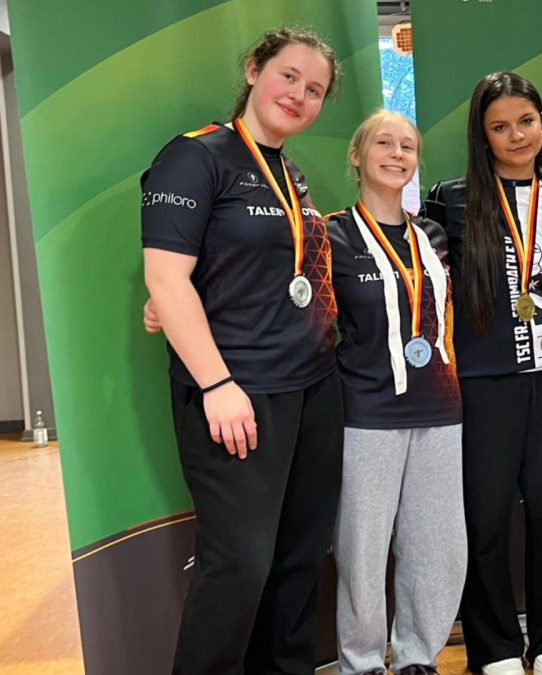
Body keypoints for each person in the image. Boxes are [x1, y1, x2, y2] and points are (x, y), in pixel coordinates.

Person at [140, 27, 343, 675]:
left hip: (313, 386)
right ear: (254, 69)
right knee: (239, 565)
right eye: (289, 76)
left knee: (298, 558)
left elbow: (265, 270)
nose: (300, 95)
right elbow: (165, 278)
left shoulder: (291, 173)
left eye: (315, 90)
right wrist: (216, 385)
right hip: (238, 391)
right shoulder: (195, 156)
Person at [422, 72, 542, 675]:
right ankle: (493, 647)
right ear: (483, 135)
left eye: (526, 121)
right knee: (483, 519)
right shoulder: (448, 200)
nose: (516, 135)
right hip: (479, 383)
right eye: (500, 126)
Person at [324, 110, 465, 675]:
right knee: (361, 549)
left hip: (440, 405)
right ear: (356, 156)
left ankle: (416, 657)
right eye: (383, 143)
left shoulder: (432, 234)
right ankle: (361, 662)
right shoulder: (331, 234)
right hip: (366, 410)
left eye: (407, 146)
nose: (397, 154)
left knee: (436, 545)